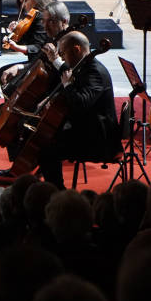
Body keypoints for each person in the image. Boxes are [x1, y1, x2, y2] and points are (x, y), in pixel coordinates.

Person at [35, 31, 121, 187]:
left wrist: (67, 85)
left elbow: (81, 103)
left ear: (76, 50)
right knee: (45, 138)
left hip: (97, 139)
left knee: (46, 147)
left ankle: (57, 191)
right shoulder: (84, 66)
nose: (61, 57)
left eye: (63, 53)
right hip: (86, 128)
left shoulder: (94, 72)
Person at [0, 0, 52, 85]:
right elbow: (28, 42)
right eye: (21, 2)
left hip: (43, 62)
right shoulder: (32, 17)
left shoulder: (42, 17)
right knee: (3, 72)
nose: (23, 6)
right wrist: (16, 32)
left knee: (5, 73)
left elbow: (38, 47)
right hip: (35, 61)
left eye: (26, 1)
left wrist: (16, 47)